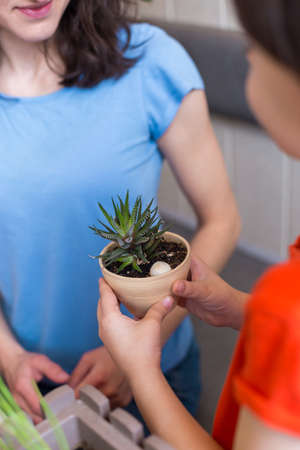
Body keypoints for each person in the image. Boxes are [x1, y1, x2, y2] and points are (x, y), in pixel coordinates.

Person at [0, 0, 240, 425]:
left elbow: (221, 219)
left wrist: (142, 353)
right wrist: (9, 356)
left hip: (154, 377)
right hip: (23, 388)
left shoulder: (152, 61)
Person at [98, 0, 300, 448]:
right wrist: (242, 310)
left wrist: (140, 370)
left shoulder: (287, 306)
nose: (247, 57)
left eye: (255, 46)